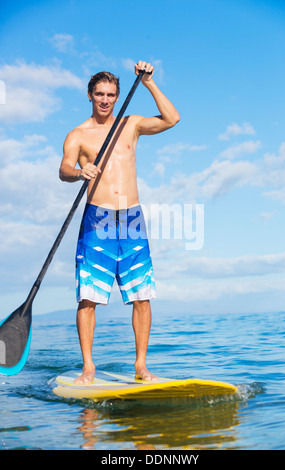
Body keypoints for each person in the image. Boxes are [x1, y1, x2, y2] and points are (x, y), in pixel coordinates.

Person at [59, 60, 180, 384]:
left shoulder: (130, 125)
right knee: (89, 297)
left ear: (117, 96)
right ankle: (88, 368)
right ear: (89, 95)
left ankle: (141, 366)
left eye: (111, 94)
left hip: (131, 217)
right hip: (97, 218)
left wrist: (149, 83)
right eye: (99, 94)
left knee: (142, 295)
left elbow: (172, 119)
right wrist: (78, 173)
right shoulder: (78, 135)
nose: (105, 100)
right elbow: (64, 169)